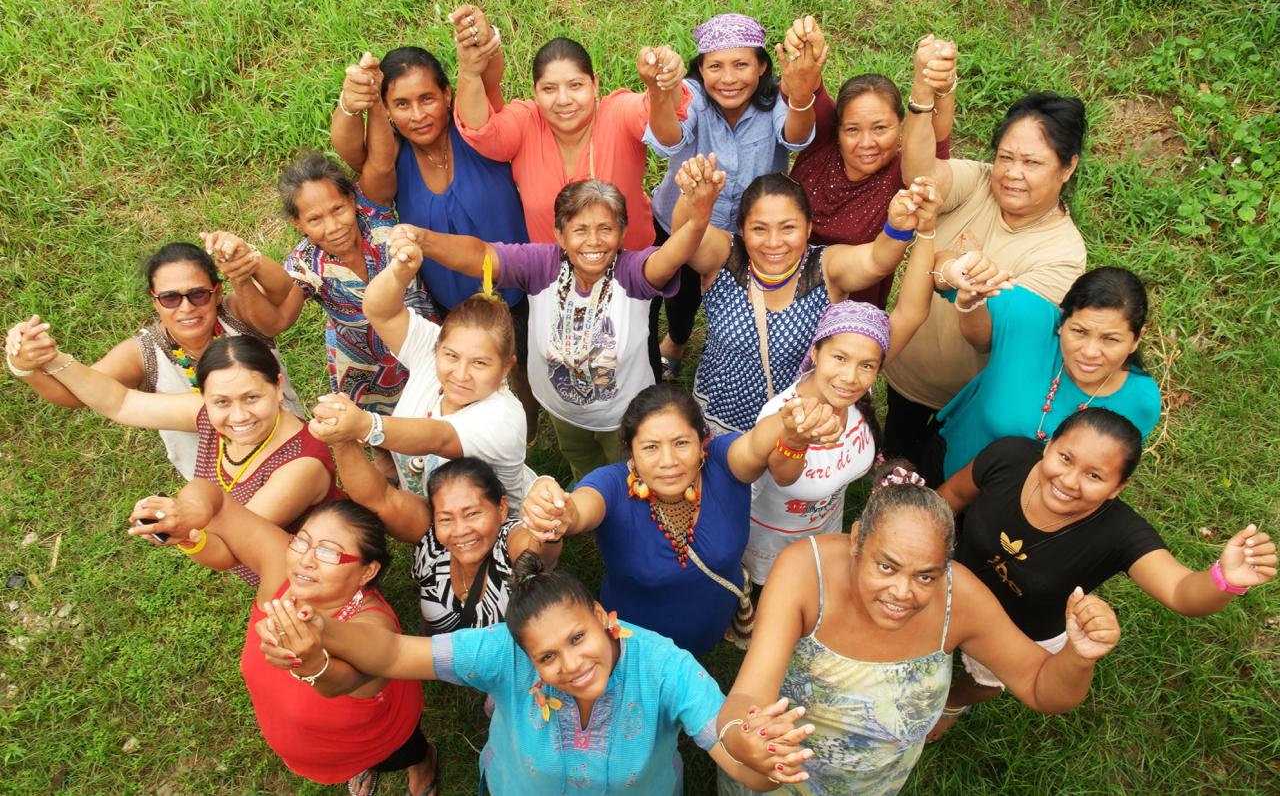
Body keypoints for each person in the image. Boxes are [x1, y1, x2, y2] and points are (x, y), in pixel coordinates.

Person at [259, 551, 805, 793]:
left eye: (577, 638)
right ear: (525, 656)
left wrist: (757, 758)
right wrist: (322, 629)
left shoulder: (664, 666)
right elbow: (393, 654)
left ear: (601, 617)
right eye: (546, 657)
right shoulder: (502, 653)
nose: (570, 665)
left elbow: (745, 766)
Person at [717, 470, 1122, 796]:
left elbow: (1041, 688)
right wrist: (745, 738)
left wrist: (1079, 657)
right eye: (887, 567)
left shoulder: (959, 597)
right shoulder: (807, 571)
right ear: (857, 540)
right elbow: (748, 694)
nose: (902, 593)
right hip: (770, 777)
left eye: (926, 575)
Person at [928, 408, 1275, 738]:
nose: (1069, 481)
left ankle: (954, 702)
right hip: (947, 585)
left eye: (1094, 476)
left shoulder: (1121, 533)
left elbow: (1181, 591)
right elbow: (953, 495)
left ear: (1117, 489)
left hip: (1021, 631)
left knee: (984, 682)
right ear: (1048, 446)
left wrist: (1225, 580)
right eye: (1065, 458)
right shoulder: (1008, 456)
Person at [383, 167, 722, 480]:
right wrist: (423, 240)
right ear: (560, 235)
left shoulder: (632, 272)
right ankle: (587, 489)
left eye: (605, 229)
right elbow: (481, 255)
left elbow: (669, 258)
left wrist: (697, 220)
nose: (593, 241)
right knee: (580, 461)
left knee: (628, 475)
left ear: (621, 234)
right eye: (580, 230)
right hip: (561, 409)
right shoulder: (542, 265)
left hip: (624, 414)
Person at [742, 211, 1009, 585]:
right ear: (815, 353)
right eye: (839, 358)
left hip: (824, 531)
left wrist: (927, 229)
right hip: (771, 542)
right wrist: (795, 440)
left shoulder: (854, 389)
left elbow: (912, 312)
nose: (851, 376)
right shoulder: (783, 414)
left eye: (867, 365)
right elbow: (785, 479)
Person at [128, 481, 436, 796]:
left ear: (366, 572)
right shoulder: (282, 567)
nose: (306, 559)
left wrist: (314, 661)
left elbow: (343, 680)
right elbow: (215, 499)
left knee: (399, 753)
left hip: (376, 736)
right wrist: (189, 513)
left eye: (329, 552)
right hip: (312, 745)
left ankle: (422, 761)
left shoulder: (373, 623)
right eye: (301, 542)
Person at [520, 382, 842, 657]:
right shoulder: (611, 486)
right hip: (639, 643)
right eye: (650, 448)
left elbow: (759, 442)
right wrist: (558, 509)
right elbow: (579, 510)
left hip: (713, 622)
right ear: (630, 452)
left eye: (681, 443)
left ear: (702, 443)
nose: (669, 461)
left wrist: (788, 422)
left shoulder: (724, 464)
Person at [329, 34, 542, 440]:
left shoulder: (478, 133)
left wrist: (480, 43)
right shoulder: (393, 161)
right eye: (402, 105)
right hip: (449, 305)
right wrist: (353, 101)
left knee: (533, 370)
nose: (418, 114)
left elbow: (488, 78)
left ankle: (531, 430)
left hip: (521, 288)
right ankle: (498, 437)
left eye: (427, 98)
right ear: (388, 111)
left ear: (447, 94)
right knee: (473, 380)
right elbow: (350, 148)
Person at [18, 332, 341, 582]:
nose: (239, 416)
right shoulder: (207, 412)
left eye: (252, 397)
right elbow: (120, 402)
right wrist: (53, 358)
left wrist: (180, 528)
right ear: (203, 396)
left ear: (278, 385)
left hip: (317, 585)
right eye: (222, 402)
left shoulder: (301, 463)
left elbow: (230, 547)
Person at [884, 87, 1091, 461]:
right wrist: (922, 93)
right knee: (895, 456)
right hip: (905, 374)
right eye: (1005, 157)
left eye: (1032, 163)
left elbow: (989, 337)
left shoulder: (1063, 255)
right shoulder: (977, 182)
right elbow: (921, 177)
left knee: (938, 484)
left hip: (969, 403)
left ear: (1068, 166)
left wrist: (951, 275)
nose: (1013, 173)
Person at [675, 154, 939, 435]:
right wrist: (691, 197)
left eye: (788, 227)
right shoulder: (724, 255)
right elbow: (684, 236)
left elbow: (877, 260)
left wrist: (898, 226)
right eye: (759, 229)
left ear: (809, 227)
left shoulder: (824, 268)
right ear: (742, 229)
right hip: (718, 420)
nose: (774, 242)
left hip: (795, 426)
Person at [5, 242, 301, 478]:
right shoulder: (142, 353)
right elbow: (75, 393)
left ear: (217, 293)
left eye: (198, 295)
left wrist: (249, 259)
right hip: (223, 487)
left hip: (294, 453)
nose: (186, 308)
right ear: (154, 301)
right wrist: (27, 364)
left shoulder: (237, 313)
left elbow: (281, 289)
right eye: (170, 298)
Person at [646, 12, 827, 380]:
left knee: (740, 297)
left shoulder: (778, 97)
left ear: (762, 66)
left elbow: (795, 136)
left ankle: (732, 348)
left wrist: (803, 92)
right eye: (715, 66)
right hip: (679, 221)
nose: (728, 79)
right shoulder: (691, 96)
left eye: (741, 64)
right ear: (700, 69)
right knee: (680, 295)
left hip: (750, 232)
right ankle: (678, 339)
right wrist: (660, 92)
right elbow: (667, 140)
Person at [201, 153, 435, 421]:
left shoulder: (379, 219)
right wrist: (241, 275)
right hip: (370, 372)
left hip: (427, 343)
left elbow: (381, 159)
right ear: (297, 223)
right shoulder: (306, 264)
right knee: (385, 438)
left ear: (351, 198)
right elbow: (275, 323)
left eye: (338, 209)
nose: (334, 227)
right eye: (315, 219)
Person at [304, 266, 534, 506]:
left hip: (492, 530)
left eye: (479, 363)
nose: (461, 374)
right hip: (435, 515)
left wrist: (365, 425)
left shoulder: (504, 417)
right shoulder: (430, 352)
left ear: (506, 367)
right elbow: (381, 312)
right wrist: (399, 272)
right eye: (451, 356)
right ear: (438, 347)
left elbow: (439, 437)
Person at [451, 20, 689, 250]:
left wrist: (665, 82)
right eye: (549, 89)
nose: (563, 100)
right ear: (535, 91)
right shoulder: (526, 122)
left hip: (630, 274)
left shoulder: (616, 112)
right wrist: (470, 72)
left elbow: (662, 116)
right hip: (551, 279)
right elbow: (481, 130)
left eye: (575, 85)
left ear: (594, 84)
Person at [926, 265, 1161, 482]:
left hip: (1027, 510)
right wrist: (960, 268)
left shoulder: (1141, 402)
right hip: (944, 467)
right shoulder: (1030, 320)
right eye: (1079, 331)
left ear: (1135, 341)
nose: (1090, 352)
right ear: (1062, 322)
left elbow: (1110, 470)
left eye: (1110, 339)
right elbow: (942, 274)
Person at [315, 442, 559, 633]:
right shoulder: (431, 541)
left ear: (502, 508)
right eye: (445, 518)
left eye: (472, 513)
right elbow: (378, 498)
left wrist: (547, 523)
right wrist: (340, 441)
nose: (460, 529)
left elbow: (538, 550)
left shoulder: (509, 542)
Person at [788, 32, 957, 308]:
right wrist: (805, 41)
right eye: (853, 130)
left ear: (901, 126)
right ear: (837, 129)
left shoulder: (905, 173)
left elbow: (936, 140)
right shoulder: (821, 142)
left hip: (848, 315)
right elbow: (808, 84)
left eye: (880, 128)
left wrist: (940, 85)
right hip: (778, 289)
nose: (867, 143)